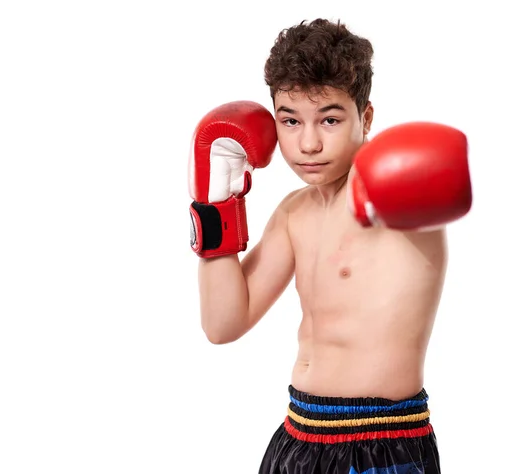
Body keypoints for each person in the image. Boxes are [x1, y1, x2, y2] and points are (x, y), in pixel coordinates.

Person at [188, 18, 472, 474]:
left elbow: (439, 176)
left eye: (330, 119)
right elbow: (223, 324)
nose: (309, 143)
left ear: (367, 117)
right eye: (290, 120)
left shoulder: (392, 192)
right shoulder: (292, 213)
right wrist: (214, 200)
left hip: (380, 442)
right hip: (296, 436)